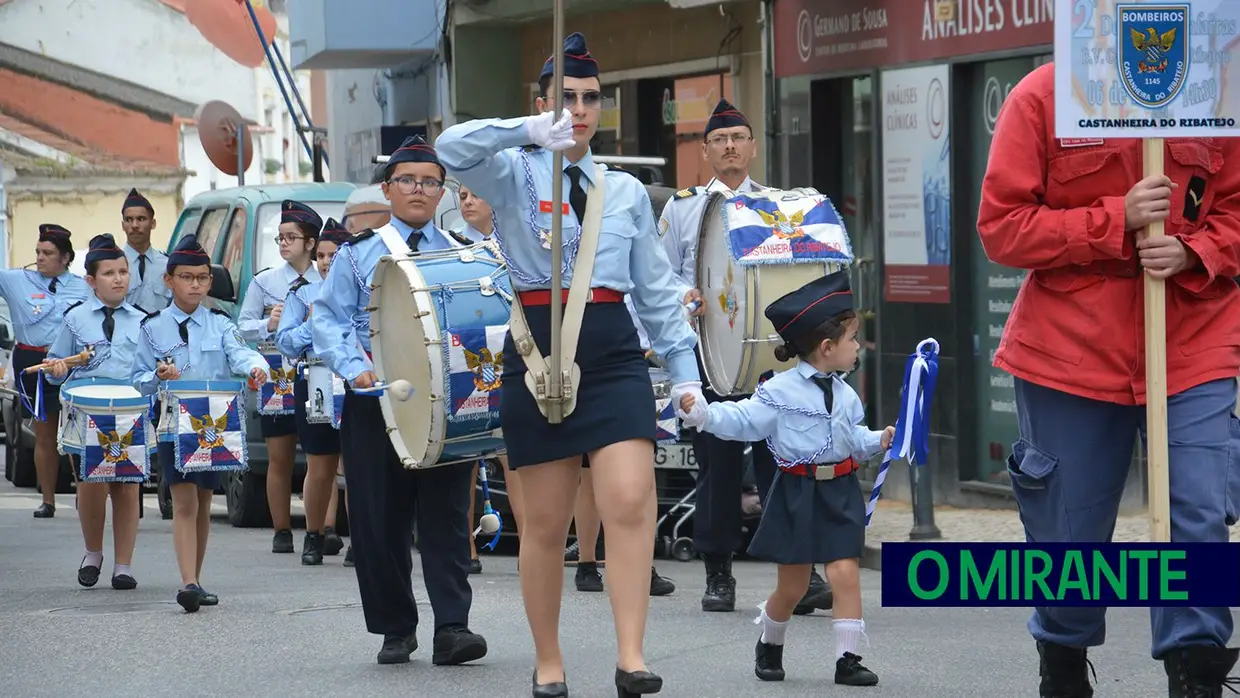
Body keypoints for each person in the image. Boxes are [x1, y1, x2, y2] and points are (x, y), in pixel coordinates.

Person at [437, 31, 707, 698]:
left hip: (612, 349)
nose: (580, 110)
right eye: (566, 99)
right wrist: (526, 131)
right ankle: (550, 659)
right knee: (546, 523)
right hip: (536, 349)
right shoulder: (511, 172)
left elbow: (655, 287)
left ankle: (631, 656)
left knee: (629, 498)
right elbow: (450, 149)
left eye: (590, 99)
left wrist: (685, 372)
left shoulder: (624, 192)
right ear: (544, 103)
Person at [977, 62, 1240, 696]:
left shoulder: (1215, 91)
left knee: (1196, 507)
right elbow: (1001, 228)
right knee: (1071, 528)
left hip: (1192, 333)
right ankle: (1063, 659)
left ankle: (1196, 668)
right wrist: (1111, 219)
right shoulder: (1041, 96)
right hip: (1070, 345)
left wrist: (1195, 249)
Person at [312, 135, 487, 666]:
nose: (419, 189)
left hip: (444, 403)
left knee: (448, 517)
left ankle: (452, 628)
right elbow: (328, 318)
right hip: (375, 402)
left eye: (430, 182)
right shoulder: (358, 253)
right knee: (378, 519)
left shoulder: (459, 252)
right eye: (407, 180)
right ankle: (395, 628)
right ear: (387, 189)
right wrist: (353, 367)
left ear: (443, 192)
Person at [658, 98, 831, 616]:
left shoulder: (780, 207)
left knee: (782, 461)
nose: (730, 146)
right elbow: (659, 274)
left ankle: (798, 572)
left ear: (753, 147)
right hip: (708, 355)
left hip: (767, 357)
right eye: (719, 140)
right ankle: (718, 572)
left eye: (738, 138)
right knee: (718, 469)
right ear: (705, 150)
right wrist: (681, 298)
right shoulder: (683, 207)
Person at [679, 271, 891, 688]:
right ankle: (769, 641)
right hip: (798, 491)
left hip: (840, 490)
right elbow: (742, 420)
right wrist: (702, 413)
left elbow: (853, 441)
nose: (857, 347)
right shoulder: (779, 390)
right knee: (792, 587)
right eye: (852, 339)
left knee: (845, 572)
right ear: (827, 348)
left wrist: (880, 439)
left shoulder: (846, 394)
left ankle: (847, 659)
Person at [132, 234, 269, 613]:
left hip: (214, 423)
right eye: (187, 277)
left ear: (210, 282)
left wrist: (256, 369)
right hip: (176, 423)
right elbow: (137, 377)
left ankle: (197, 577)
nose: (195, 284)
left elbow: (239, 353)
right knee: (185, 501)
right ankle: (187, 581)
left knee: (205, 502)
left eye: (202, 278)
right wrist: (158, 375)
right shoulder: (152, 327)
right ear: (169, 280)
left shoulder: (220, 323)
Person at [46, 234, 147, 590]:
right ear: (91, 280)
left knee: (127, 486)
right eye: (109, 273)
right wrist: (57, 369)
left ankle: (124, 565)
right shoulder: (75, 320)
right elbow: (56, 361)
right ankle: (92, 552)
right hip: (87, 408)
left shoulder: (143, 321)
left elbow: (150, 366)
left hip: (129, 408)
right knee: (91, 482)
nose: (119, 279)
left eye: (123, 271)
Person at [568, 297, 677, 597]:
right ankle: (586, 561)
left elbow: (661, 286)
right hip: (593, 350)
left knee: (641, 470)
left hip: (643, 358)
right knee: (589, 471)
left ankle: (641, 563)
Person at [239, 200, 324, 555]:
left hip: (319, 375)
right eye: (280, 238)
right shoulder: (266, 281)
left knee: (323, 455)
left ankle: (325, 527)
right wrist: (267, 325)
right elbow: (242, 329)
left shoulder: (326, 280)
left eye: (291, 237)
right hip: (279, 378)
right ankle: (282, 529)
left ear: (310, 242)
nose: (284, 244)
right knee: (280, 455)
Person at [0, 224, 89, 517]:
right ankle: (48, 500)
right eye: (38, 252)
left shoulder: (83, 286)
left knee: (77, 432)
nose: (40, 258)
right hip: (33, 362)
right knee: (45, 434)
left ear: (65, 258)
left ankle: (83, 497)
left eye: (48, 253)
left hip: (72, 362)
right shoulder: (16, 280)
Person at [274, 216, 348, 566]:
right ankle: (314, 535)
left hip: (352, 379)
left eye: (334, 255)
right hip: (316, 378)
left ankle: (362, 539)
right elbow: (285, 342)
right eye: (321, 255)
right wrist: (312, 326)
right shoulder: (302, 294)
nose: (325, 262)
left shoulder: (363, 290)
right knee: (320, 464)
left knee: (359, 463)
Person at [120, 188, 171, 311]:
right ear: (123, 225)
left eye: (141, 219)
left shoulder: (168, 265)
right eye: (129, 220)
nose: (135, 225)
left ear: (153, 223)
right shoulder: (111, 264)